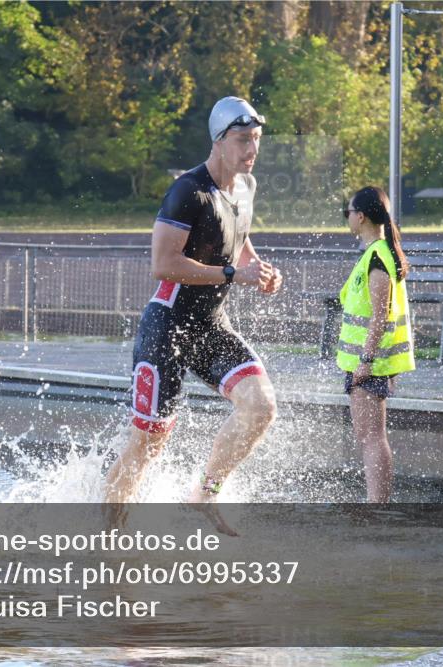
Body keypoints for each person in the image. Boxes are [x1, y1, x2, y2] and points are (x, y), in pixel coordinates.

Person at [103, 96, 283, 535]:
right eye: (242, 140)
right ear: (219, 141)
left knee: (260, 407)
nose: (251, 150)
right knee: (148, 444)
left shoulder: (246, 187)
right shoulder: (189, 189)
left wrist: (256, 269)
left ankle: (203, 494)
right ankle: (107, 536)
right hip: (166, 327)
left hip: (210, 324)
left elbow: (237, 237)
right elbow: (163, 264)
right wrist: (232, 273)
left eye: (256, 140)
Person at [337, 187, 416, 502]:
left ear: (361, 216)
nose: (347, 218)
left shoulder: (378, 257)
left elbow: (380, 315)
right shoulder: (375, 252)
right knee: (367, 436)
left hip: (371, 363)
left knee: (371, 437)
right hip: (364, 362)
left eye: (349, 212)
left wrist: (366, 360)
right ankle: (376, 505)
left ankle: (377, 507)